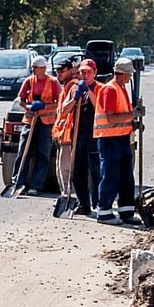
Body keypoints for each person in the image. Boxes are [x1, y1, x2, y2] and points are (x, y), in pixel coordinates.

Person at [94, 57, 138, 225]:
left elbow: (121, 116)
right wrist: (132, 114)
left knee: (126, 177)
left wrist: (132, 122)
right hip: (109, 139)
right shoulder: (110, 90)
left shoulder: (120, 88)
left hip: (122, 138)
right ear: (122, 74)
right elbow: (111, 118)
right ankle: (104, 212)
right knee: (111, 176)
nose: (130, 78)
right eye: (128, 74)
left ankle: (126, 211)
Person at [14, 56, 62, 195]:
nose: (33, 70)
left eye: (36, 67)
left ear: (43, 68)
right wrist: (28, 107)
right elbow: (21, 99)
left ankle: (36, 185)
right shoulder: (28, 82)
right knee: (23, 151)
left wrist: (44, 106)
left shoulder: (53, 82)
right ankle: (18, 181)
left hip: (46, 123)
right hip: (30, 121)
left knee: (43, 154)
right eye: (33, 67)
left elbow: (59, 101)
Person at [69, 59, 102, 216]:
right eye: (82, 72)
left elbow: (100, 107)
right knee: (77, 173)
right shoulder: (75, 88)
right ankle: (84, 204)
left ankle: (99, 203)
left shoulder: (101, 88)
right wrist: (74, 99)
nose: (85, 74)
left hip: (95, 136)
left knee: (96, 172)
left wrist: (88, 90)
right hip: (77, 136)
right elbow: (64, 110)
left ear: (95, 72)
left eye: (88, 72)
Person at [51, 57, 79, 194]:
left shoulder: (73, 86)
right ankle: (66, 194)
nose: (59, 73)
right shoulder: (65, 87)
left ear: (71, 71)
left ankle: (70, 196)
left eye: (62, 70)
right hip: (63, 135)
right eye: (57, 71)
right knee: (60, 168)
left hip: (69, 135)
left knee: (66, 169)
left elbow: (66, 110)